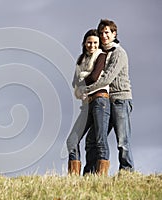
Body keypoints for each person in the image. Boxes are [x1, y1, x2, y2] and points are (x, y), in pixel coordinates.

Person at [82, 19, 134, 175]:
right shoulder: (100, 54)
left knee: (122, 140)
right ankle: (90, 173)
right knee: (93, 139)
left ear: (114, 34)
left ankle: (127, 171)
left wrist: (87, 89)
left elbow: (107, 78)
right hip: (104, 101)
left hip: (120, 100)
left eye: (107, 32)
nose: (104, 36)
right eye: (102, 33)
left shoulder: (119, 53)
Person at [66, 29, 110, 176]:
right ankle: (73, 177)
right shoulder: (80, 59)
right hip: (86, 104)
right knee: (72, 140)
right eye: (89, 42)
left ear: (99, 44)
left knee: (100, 139)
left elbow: (94, 77)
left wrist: (82, 79)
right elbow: (74, 82)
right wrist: (83, 79)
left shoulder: (101, 56)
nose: (92, 45)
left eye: (95, 43)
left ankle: (101, 176)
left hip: (100, 100)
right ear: (84, 43)